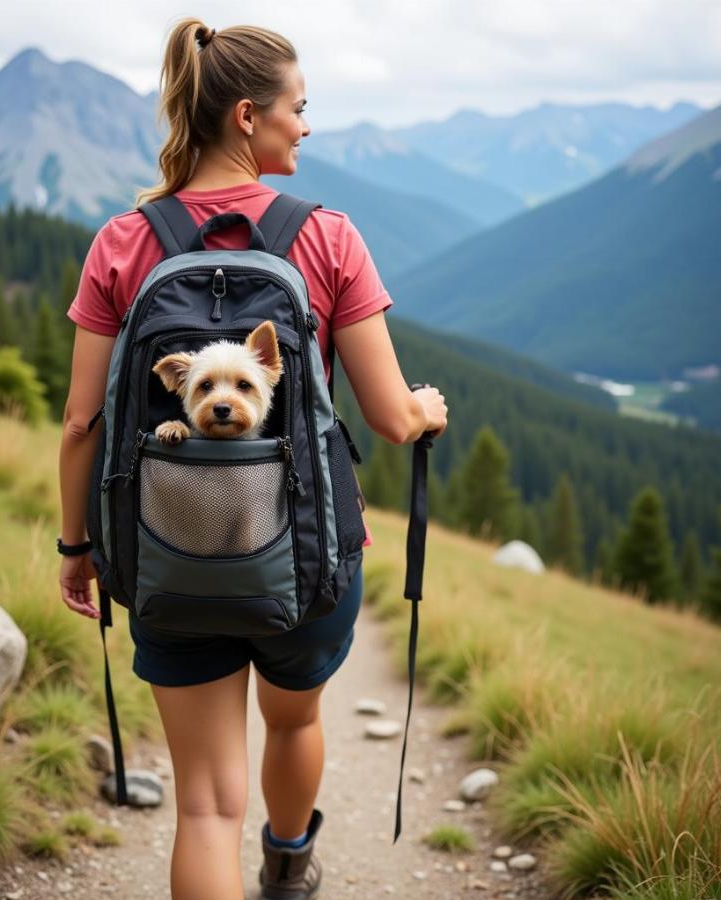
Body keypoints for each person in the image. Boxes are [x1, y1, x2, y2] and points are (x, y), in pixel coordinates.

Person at [57, 17, 448, 900]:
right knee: (295, 715)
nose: (305, 126)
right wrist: (425, 409)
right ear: (246, 116)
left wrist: (77, 547)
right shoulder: (327, 236)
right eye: (297, 109)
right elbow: (391, 419)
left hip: (166, 552)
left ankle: (257, 852)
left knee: (201, 807)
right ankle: (286, 860)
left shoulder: (124, 241)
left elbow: (82, 422)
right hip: (305, 552)